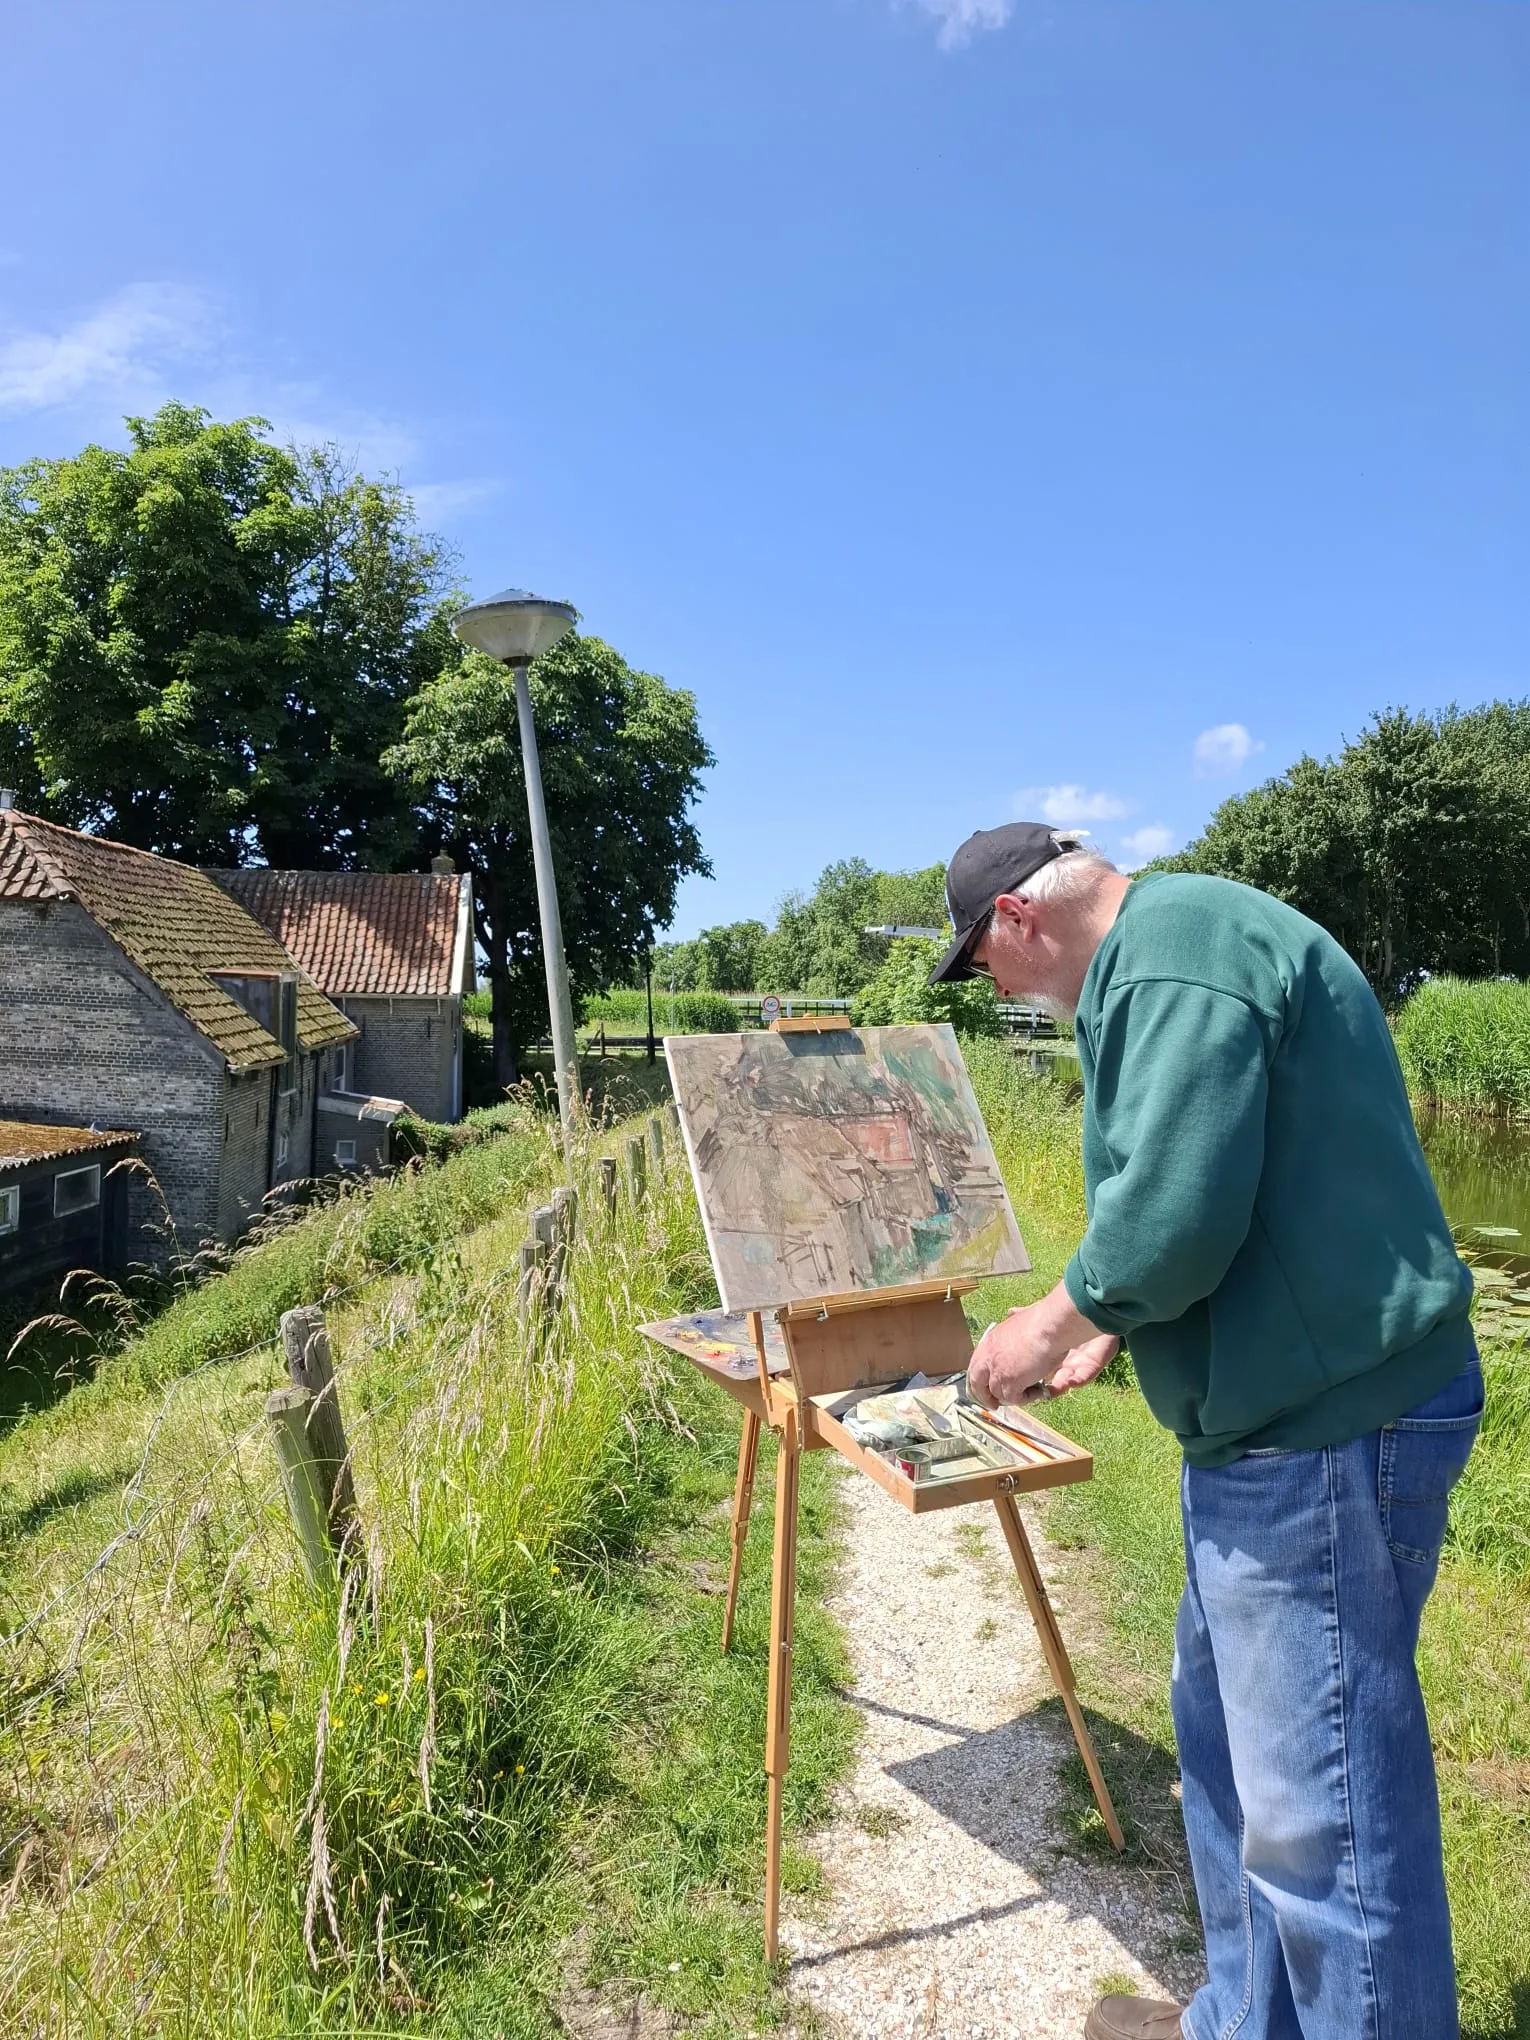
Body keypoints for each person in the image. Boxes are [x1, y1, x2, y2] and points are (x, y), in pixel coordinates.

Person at [930, 823, 1481, 2040]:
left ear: (1013, 922)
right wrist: (1117, 1326)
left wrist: (1049, 1319)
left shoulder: (1172, 952)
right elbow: (1242, 1185)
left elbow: (1172, 1219)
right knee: (1228, 1758)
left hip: (1324, 1433)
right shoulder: (1173, 950)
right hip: (1274, 1431)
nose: (997, 992)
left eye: (983, 968)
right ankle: (1241, 2023)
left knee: (1320, 1818)